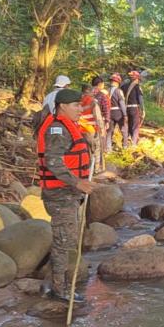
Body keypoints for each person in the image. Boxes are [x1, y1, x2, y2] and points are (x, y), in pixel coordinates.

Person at [37, 88, 98, 302]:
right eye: (76, 105)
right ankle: (59, 290)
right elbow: (53, 162)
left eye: (80, 105)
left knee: (67, 238)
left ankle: (52, 282)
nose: (80, 109)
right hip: (60, 193)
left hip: (68, 193)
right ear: (62, 106)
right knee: (64, 240)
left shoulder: (69, 127)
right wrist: (78, 182)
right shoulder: (57, 129)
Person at [79, 84, 104, 171]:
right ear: (88, 91)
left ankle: (85, 169)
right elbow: (97, 116)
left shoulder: (77, 101)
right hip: (91, 129)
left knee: (84, 150)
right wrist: (101, 128)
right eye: (92, 91)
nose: (93, 93)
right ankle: (96, 169)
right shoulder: (93, 101)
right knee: (96, 149)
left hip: (79, 129)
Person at [121, 70, 145, 147]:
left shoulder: (124, 86)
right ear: (137, 78)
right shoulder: (137, 86)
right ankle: (133, 144)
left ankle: (126, 142)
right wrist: (143, 109)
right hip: (134, 109)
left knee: (128, 125)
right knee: (135, 126)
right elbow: (140, 99)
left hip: (126, 108)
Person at [106, 73, 127, 151]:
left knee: (109, 131)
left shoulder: (106, 91)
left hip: (109, 113)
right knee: (124, 129)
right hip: (118, 112)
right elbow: (122, 103)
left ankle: (108, 148)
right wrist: (125, 115)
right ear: (117, 82)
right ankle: (125, 146)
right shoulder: (119, 91)